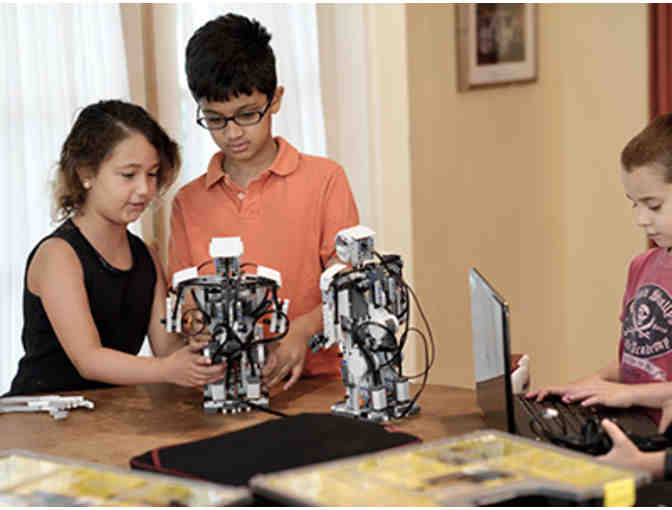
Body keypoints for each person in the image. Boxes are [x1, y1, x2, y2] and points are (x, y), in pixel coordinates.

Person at [169, 13, 359, 391]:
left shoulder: (325, 180)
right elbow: (184, 299)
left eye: (247, 114)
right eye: (215, 119)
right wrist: (195, 326)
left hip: (318, 384)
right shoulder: (188, 203)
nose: (232, 133)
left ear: (276, 100)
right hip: (224, 387)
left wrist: (301, 331)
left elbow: (346, 284)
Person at [6, 100, 226, 396]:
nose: (145, 189)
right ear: (86, 173)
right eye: (128, 175)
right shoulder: (58, 255)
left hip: (107, 414)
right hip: (39, 415)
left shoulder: (145, 255)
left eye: (152, 174)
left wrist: (201, 343)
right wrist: (167, 369)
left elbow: (166, 347)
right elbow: (89, 360)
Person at [527, 114, 672, 479]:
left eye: (653, 205)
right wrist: (590, 386)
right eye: (633, 203)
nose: (641, 219)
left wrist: (629, 395)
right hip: (634, 426)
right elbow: (638, 360)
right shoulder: (642, 266)